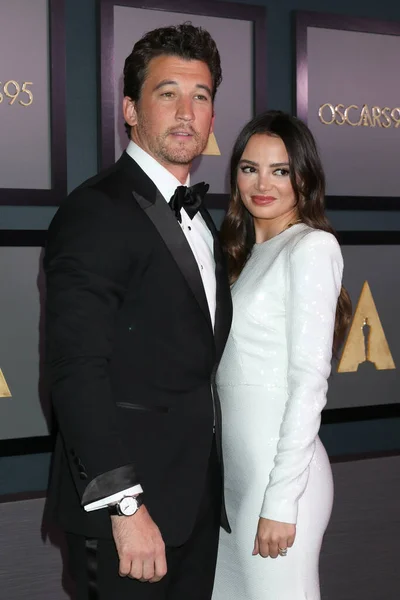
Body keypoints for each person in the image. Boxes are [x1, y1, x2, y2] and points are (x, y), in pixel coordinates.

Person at [44, 23, 232, 600]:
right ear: (130, 108)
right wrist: (126, 507)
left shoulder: (203, 218)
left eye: (200, 96)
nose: (186, 111)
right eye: (166, 93)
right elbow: (75, 369)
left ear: (212, 117)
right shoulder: (96, 210)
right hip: (128, 519)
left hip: (194, 505)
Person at [212, 110, 352, 600]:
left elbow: (309, 382)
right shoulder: (241, 256)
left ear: (304, 177)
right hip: (232, 481)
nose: (262, 183)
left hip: (280, 481)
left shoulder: (311, 248)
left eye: (280, 170)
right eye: (249, 168)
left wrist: (280, 500)